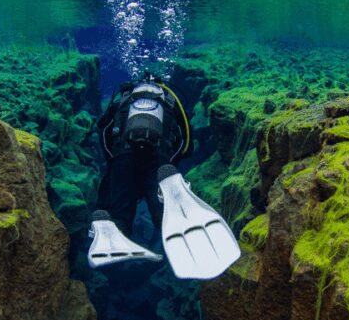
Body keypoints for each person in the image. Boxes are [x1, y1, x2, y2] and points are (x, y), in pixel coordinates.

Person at [87, 71, 240, 280]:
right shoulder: (168, 100)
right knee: (165, 214)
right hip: (159, 158)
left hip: (123, 157)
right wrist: (170, 163)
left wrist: (113, 161)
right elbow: (186, 141)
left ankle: (111, 226)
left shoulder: (124, 99)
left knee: (119, 210)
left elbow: (104, 131)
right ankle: (173, 194)